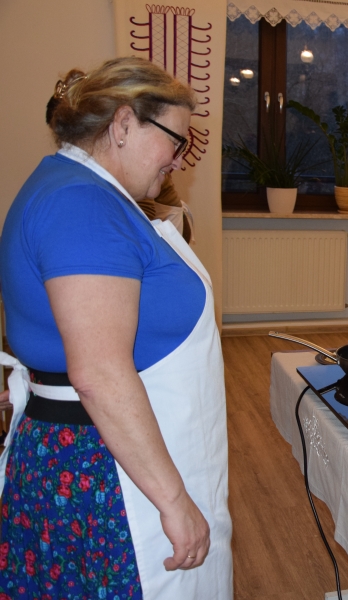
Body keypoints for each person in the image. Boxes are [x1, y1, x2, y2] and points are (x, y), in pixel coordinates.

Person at [0, 57, 232, 598]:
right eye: (176, 141)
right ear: (124, 124)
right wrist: (173, 501)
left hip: (97, 446)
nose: (179, 160)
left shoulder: (77, 188)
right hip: (101, 469)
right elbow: (101, 374)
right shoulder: (82, 203)